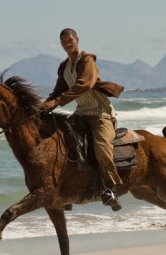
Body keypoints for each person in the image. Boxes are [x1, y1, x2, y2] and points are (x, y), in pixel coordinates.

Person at [41, 28, 125, 211]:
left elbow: (84, 85)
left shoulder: (87, 60)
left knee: (102, 148)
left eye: (70, 40)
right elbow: (58, 91)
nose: (67, 44)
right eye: (63, 42)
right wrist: (43, 106)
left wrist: (57, 101)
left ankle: (111, 189)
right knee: (61, 142)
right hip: (81, 112)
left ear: (77, 40)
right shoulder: (64, 67)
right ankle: (67, 191)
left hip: (100, 113)